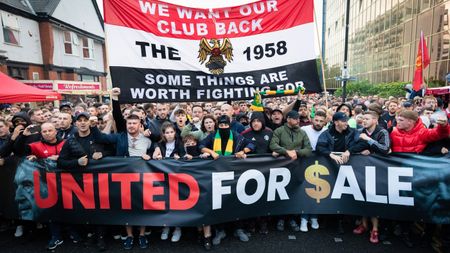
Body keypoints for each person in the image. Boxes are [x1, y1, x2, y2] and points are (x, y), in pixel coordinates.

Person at [199, 115, 254, 244]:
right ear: (218, 125)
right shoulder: (212, 136)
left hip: (234, 174)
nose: (223, 127)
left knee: (236, 201)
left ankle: (238, 228)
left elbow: (251, 144)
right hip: (217, 175)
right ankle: (220, 230)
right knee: (219, 203)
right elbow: (200, 145)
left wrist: (244, 151)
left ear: (229, 125)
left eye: (226, 125)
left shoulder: (236, 135)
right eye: (221, 125)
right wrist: (211, 152)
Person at [349, 111, 390, 244]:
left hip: (379, 170)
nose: (363, 121)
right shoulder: (360, 131)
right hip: (362, 168)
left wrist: (370, 142)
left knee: (374, 198)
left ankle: (375, 229)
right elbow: (355, 146)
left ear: (375, 120)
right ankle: (364, 224)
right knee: (362, 196)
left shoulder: (382, 132)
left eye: (367, 119)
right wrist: (361, 150)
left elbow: (385, 149)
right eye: (363, 118)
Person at [269, 110, 312, 232]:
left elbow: (308, 149)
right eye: (295, 119)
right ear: (288, 119)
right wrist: (287, 151)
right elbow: (273, 145)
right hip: (281, 168)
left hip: (297, 167)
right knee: (281, 193)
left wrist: (297, 152)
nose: (298, 121)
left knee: (295, 193)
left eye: (298, 118)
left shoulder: (302, 132)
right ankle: (281, 218)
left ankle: (292, 218)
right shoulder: (279, 131)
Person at [299, 110, 328, 232]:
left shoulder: (327, 131)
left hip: (322, 165)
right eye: (316, 120)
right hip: (305, 163)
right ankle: (304, 218)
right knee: (306, 192)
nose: (318, 123)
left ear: (325, 121)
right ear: (312, 119)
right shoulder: (304, 129)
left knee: (318, 193)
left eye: (321, 121)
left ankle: (314, 217)